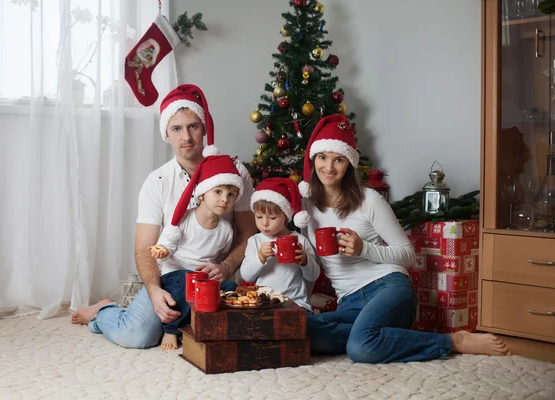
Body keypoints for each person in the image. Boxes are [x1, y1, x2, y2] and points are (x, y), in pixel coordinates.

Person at [299, 114, 511, 363]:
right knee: (304, 331)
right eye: (323, 157)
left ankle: (452, 341)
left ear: (349, 164)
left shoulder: (369, 200)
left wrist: (363, 248)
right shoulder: (305, 208)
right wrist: (303, 261)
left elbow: (407, 255)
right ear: (314, 158)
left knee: (361, 348)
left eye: (339, 160)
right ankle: (382, 336)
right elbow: (314, 267)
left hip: (388, 288)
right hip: (349, 302)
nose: (329, 167)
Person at [71, 84, 257, 349]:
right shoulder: (157, 181)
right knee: (137, 336)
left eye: (193, 126)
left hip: (215, 278)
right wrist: (155, 291)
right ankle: (104, 312)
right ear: (166, 135)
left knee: (235, 335)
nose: (187, 137)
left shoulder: (235, 171)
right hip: (171, 276)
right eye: (176, 129)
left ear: (205, 127)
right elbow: (143, 247)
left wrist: (226, 267)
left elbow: (247, 234)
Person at [149, 153, 243, 350]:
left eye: (231, 194)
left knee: (230, 287)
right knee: (186, 283)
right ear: (202, 194)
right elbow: (167, 245)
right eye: (218, 191)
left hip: (202, 278)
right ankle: (171, 329)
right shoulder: (184, 219)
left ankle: (201, 326)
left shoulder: (225, 230)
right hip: (176, 275)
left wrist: (217, 270)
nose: (224, 199)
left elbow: (220, 257)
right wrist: (162, 251)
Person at [240, 177, 320, 311]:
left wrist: (305, 261)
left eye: (272, 218)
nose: (264, 223)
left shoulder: (300, 240)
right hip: (264, 303)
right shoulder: (255, 241)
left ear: (286, 216)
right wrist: (260, 257)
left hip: (296, 303)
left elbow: (313, 276)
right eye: (259, 217)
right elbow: (246, 275)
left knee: (306, 325)